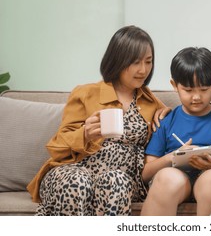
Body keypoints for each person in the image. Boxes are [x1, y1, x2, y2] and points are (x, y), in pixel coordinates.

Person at [27, 25, 170, 216]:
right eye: (136, 62)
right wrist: (84, 134)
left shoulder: (151, 102)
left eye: (148, 61)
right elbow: (57, 145)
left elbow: (173, 126)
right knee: (77, 181)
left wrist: (168, 112)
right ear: (118, 60)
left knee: (117, 181)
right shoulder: (86, 93)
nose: (143, 70)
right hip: (75, 170)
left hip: (122, 179)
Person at [140, 47, 211, 216]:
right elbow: (145, 174)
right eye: (188, 90)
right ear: (174, 86)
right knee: (168, 177)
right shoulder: (166, 121)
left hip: (210, 181)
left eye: (203, 89)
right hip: (174, 180)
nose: (196, 97)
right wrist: (174, 156)